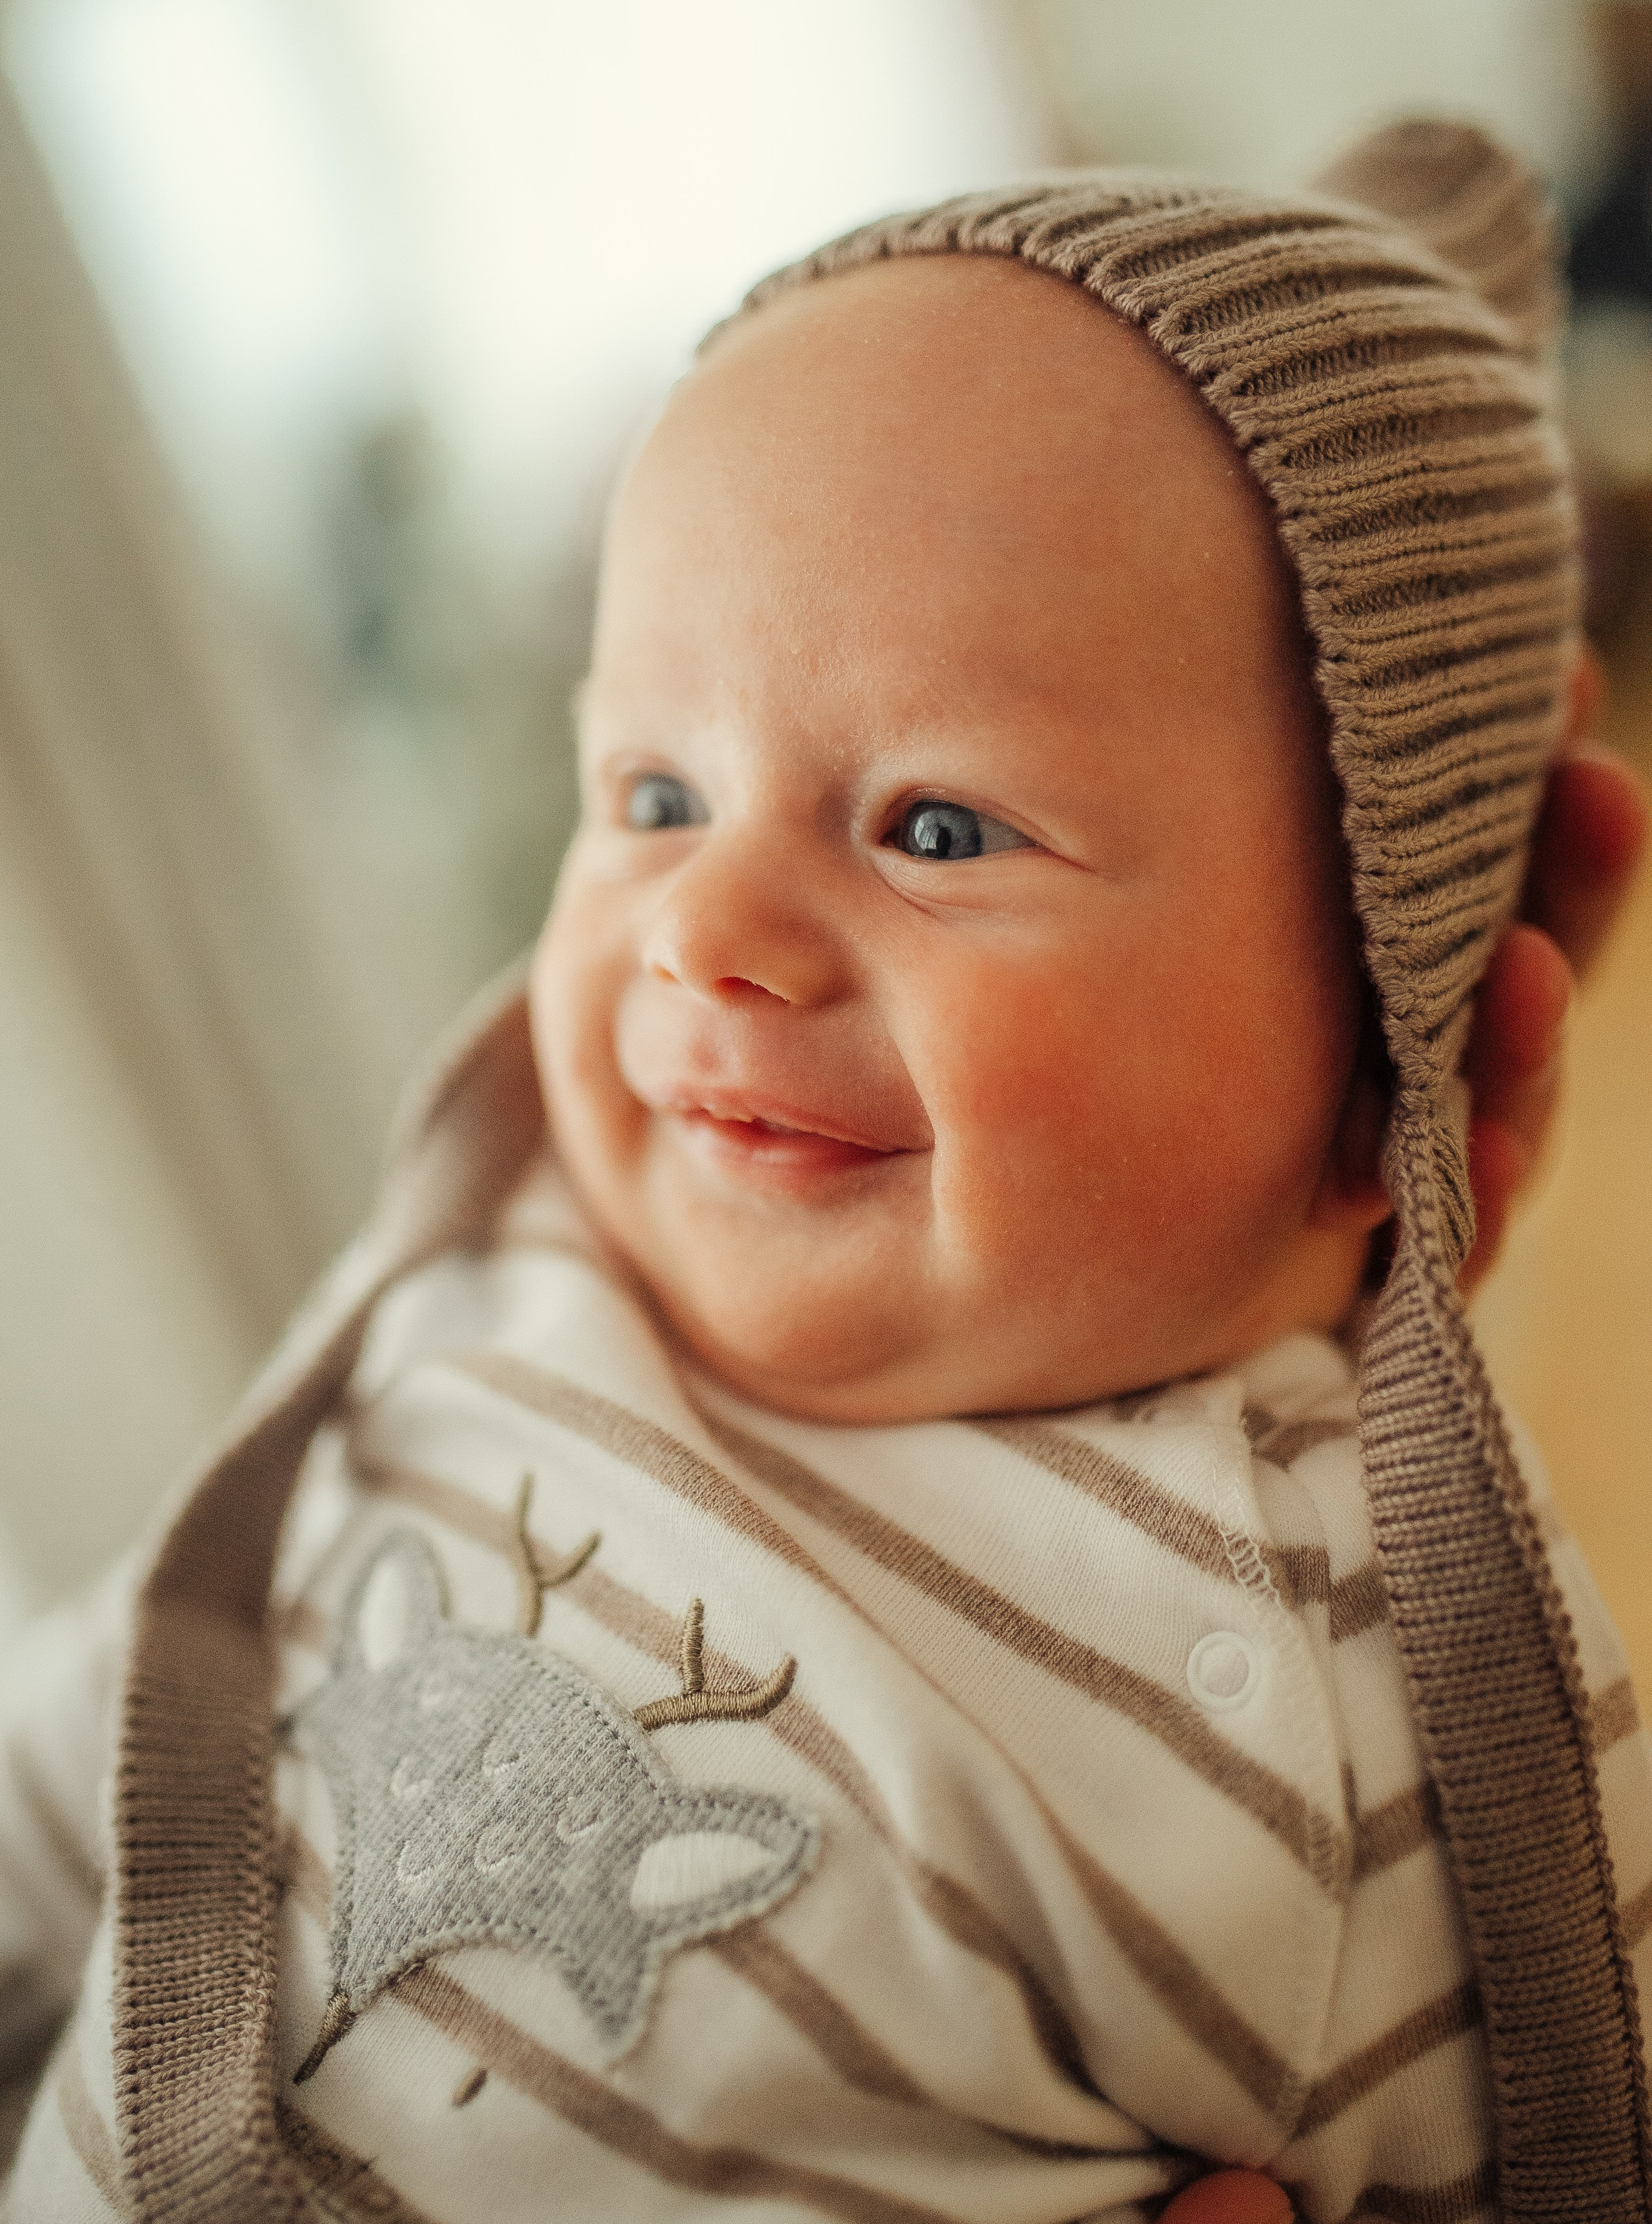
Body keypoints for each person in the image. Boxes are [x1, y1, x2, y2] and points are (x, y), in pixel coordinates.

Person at [1, 123, 1649, 2224]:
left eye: (935, 828)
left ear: (1384, 1046)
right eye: (655, 794)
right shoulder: (504, 1279)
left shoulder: (1367, 1698)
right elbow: (106, 1752)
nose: (706, 930)